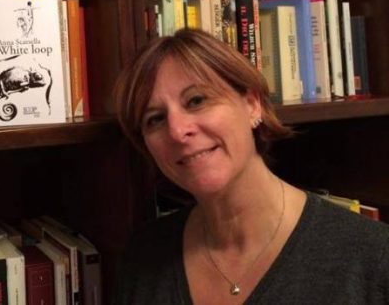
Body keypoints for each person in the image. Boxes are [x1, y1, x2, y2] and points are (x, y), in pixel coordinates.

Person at [113, 29, 389, 304]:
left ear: (252, 104)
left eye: (196, 101)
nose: (177, 131)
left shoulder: (373, 256)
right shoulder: (144, 257)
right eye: (155, 119)